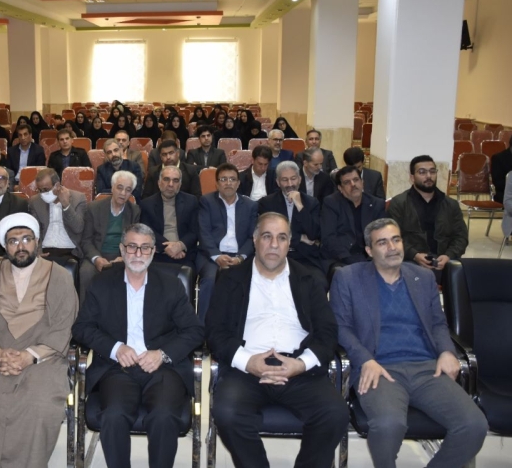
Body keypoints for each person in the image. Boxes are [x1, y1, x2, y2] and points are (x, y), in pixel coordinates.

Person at [330, 218, 488, 468]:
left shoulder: (422, 277)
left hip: (427, 368)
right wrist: (365, 359)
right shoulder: (348, 278)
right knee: (388, 425)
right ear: (369, 250)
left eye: (396, 240)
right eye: (382, 243)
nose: (392, 247)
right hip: (379, 369)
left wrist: (447, 351)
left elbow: (437, 322)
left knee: (474, 425)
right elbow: (340, 327)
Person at [206, 212, 348, 468]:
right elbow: (215, 331)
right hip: (247, 369)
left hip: (299, 368)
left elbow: (328, 331)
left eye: (281, 238)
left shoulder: (309, 279)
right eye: (267, 236)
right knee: (227, 413)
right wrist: (247, 362)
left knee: (334, 414)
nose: (274, 244)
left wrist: (301, 364)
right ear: (255, 239)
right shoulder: (230, 279)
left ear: (289, 242)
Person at [0, 213, 78, 468]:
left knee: (38, 405)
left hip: (43, 358)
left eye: (27, 239)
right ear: (5, 246)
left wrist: (29, 356)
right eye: (13, 241)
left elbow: (64, 324)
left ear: (37, 242)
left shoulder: (60, 275)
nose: (21, 246)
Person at [72, 223, 204, 468]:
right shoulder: (102, 283)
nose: (138, 254)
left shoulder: (171, 285)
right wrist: (115, 348)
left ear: (153, 251)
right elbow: (82, 328)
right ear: (122, 250)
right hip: (117, 368)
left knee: (164, 416)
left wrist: (162, 354)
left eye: (145, 248)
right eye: (132, 247)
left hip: (163, 369)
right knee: (113, 416)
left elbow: (195, 331)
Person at [387, 155, 468, 284]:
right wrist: (414, 255)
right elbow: (392, 238)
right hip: (409, 261)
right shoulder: (399, 203)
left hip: (444, 261)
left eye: (432, 171)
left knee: (467, 279)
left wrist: (449, 255)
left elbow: (461, 237)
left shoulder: (450, 205)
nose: (428, 176)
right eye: (422, 172)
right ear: (412, 177)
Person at [197, 163, 258, 323]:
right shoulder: (207, 201)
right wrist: (217, 256)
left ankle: (241, 328)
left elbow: (252, 237)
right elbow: (204, 233)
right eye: (223, 179)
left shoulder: (250, 205)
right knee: (210, 280)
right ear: (217, 184)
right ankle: (202, 329)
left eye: (232, 179)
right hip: (211, 256)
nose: (228, 183)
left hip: (240, 256)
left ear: (238, 183)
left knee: (249, 281)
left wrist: (240, 258)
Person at [80, 170, 141, 300]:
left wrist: (123, 257)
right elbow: (86, 240)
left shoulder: (134, 211)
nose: (123, 193)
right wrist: (96, 258)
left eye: (128, 190)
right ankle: (86, 310)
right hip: (97, 252)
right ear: (112, 187)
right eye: (120, 188)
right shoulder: (94, 208)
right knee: (86, 272)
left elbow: (134, 242)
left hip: (120, 256)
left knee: (125, 274)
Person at [258, 161, 324, 278]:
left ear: (299, 179)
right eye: (284, 180)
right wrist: (299, 237)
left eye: (293, 179)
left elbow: (314, 234)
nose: (290, 184)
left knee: (319, 282)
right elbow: (268, 235)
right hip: (276, 254)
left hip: (305, 257)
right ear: (278, 182)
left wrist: (300, 206)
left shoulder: (312, 202)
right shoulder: (267, 203)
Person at [321, 165, 387, 267]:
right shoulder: (331, 203)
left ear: (362, 182)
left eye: (356, 180)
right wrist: (349, 259)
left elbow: (382, 234)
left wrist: (372, 257)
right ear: (340, 188)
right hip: (341, 257)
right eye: (347, 182)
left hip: (369, 256)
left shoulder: (376, 204)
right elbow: (329, 238)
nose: (353, 184)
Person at [139, 166, 199, 267]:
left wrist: (180, 245)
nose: (171, 184)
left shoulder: (191, 201)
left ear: (180, 185)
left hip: (184, 254)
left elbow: (195, 230)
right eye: (166, 179)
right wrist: (167, 248)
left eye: (175, 180)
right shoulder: (147, 204)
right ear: (159, 183)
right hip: (157, 253)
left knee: (185, 274)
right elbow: (147, 231)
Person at [28, 168, 87, 261]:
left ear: (57, 185)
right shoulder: (35, 201)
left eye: (46, 189)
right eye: (39, 190)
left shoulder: (78, 198)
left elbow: (78, 228)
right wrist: (37, 251)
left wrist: (66, 205)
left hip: (70, 250)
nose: (43, 193)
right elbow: (34, 231)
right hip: (45, 250)